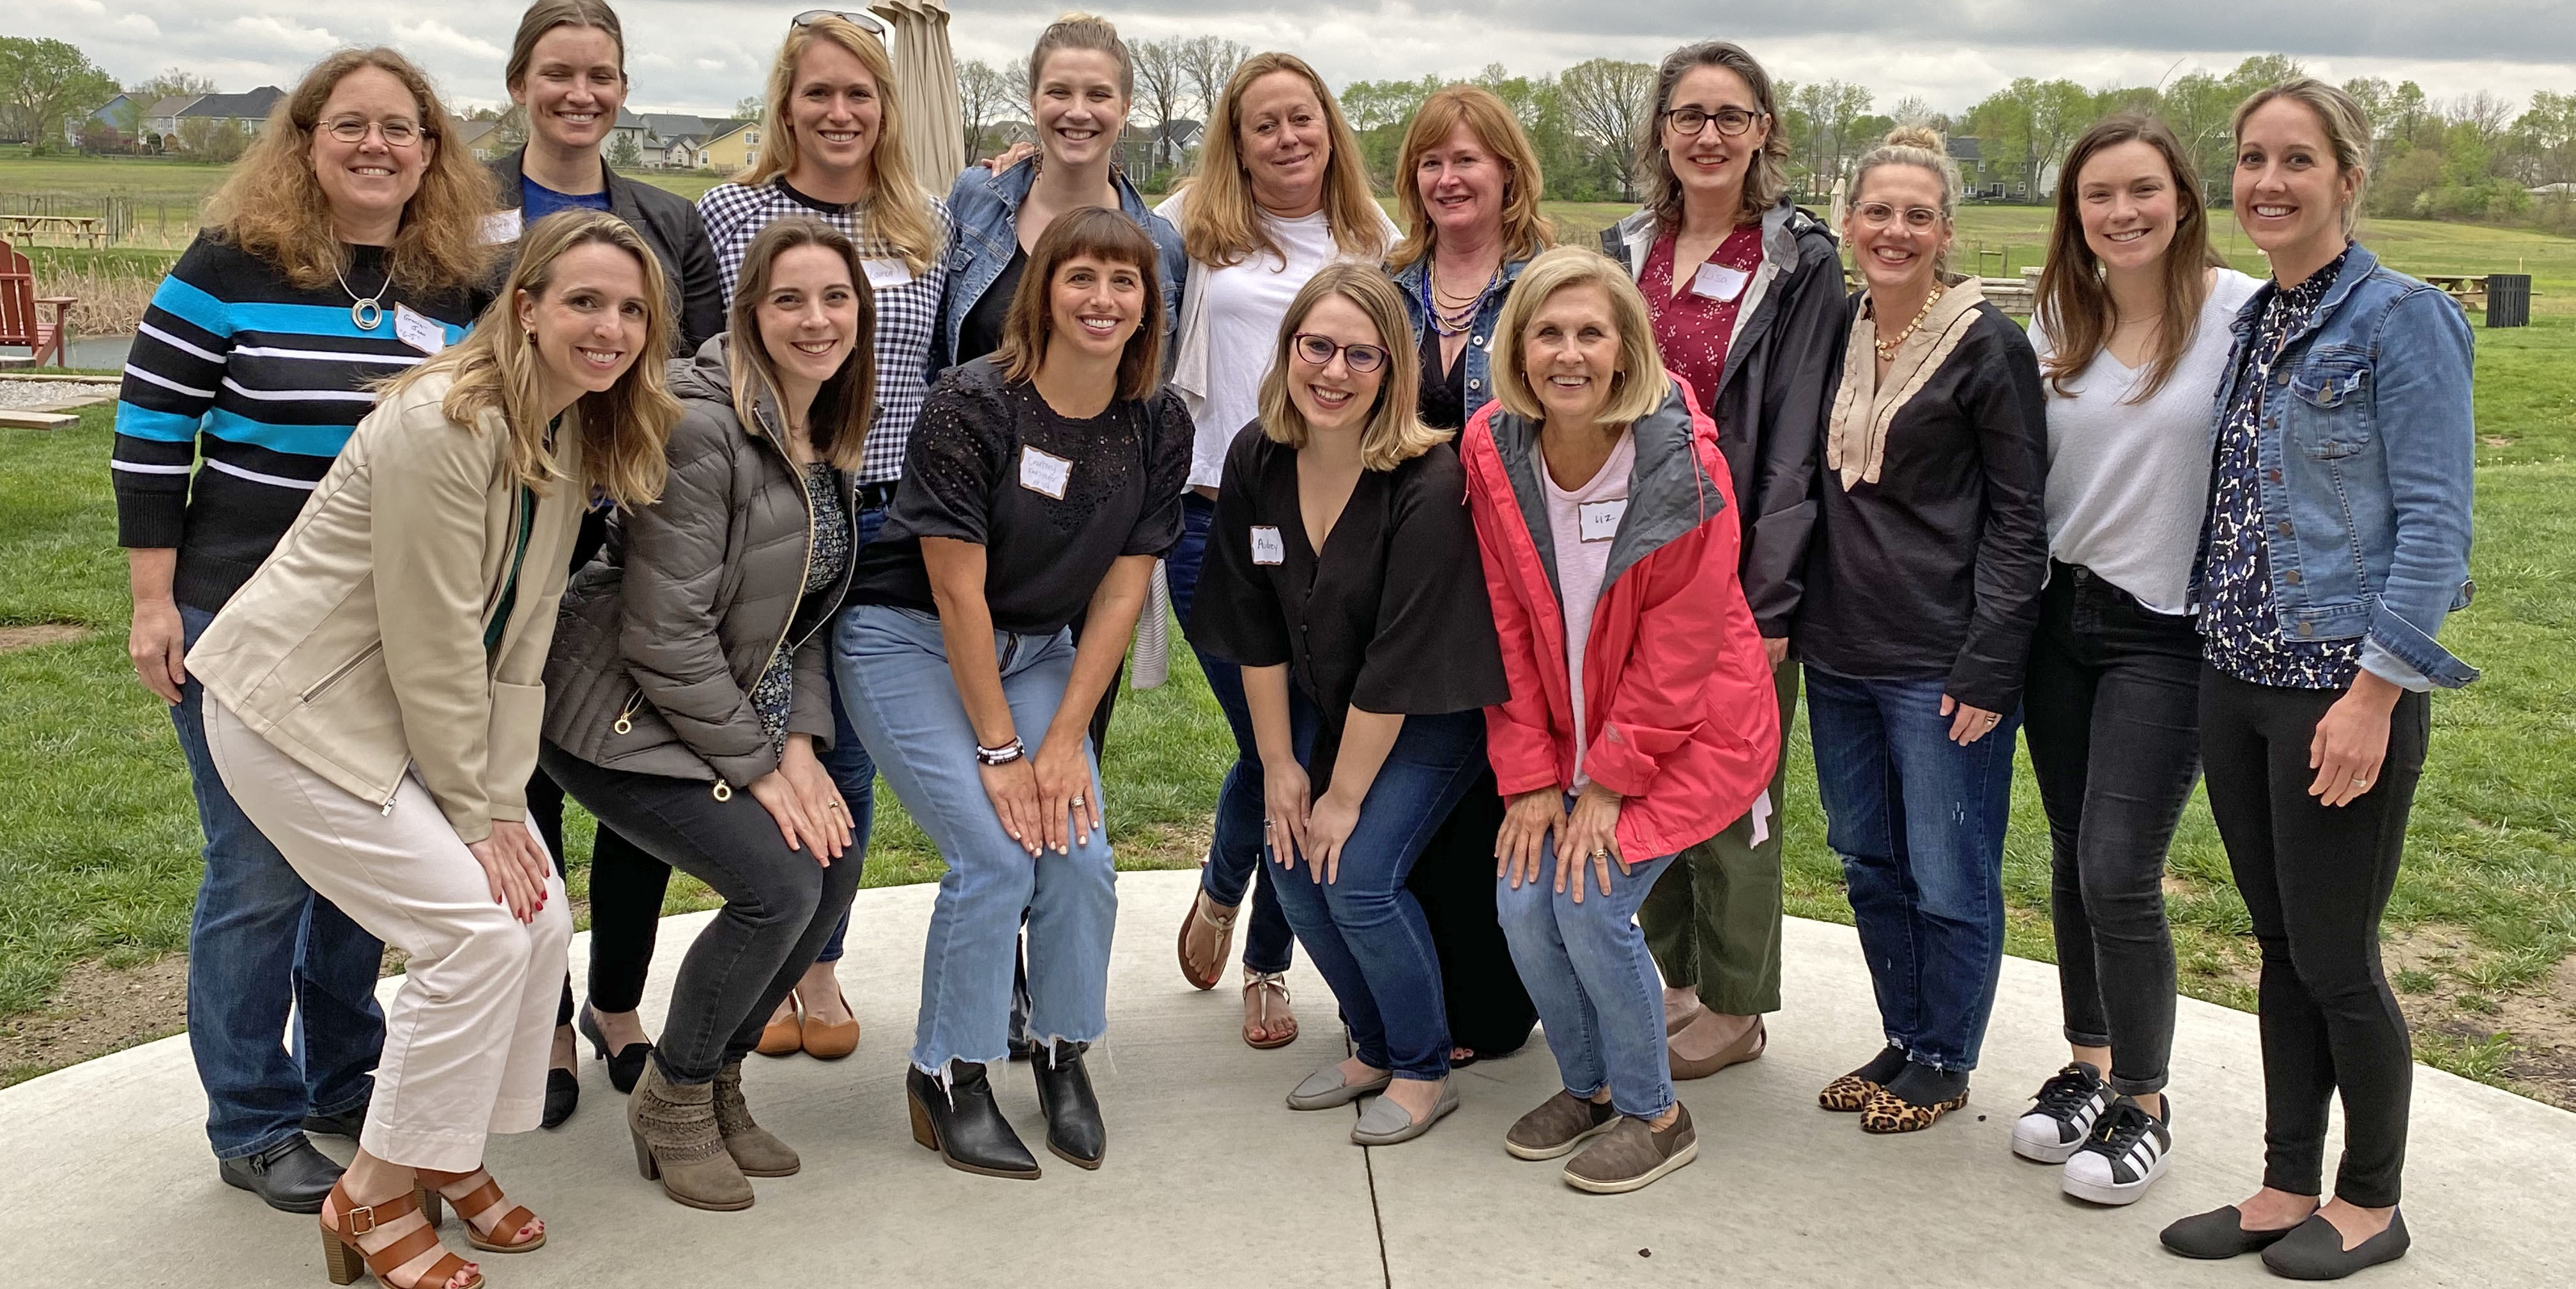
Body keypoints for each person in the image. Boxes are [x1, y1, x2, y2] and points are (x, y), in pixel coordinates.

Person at [190, 208, 680, 1288]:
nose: (610, 327)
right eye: (585, 302)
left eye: (631, 310)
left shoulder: (563, 429)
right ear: (526, 309)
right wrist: (477, 810)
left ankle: (444, 1151)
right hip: (294, 716)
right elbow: (436, 641)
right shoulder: (442, 423)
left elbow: (525, 638)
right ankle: (370, 1193)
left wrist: (502, 807)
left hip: (391, 722)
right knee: (472, 935)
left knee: (536, 915)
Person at [111, 45, 496, 1214]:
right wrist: (152, 602)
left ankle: (344, 1074)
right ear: (306, 141)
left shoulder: (453, 283)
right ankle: (254, 1117)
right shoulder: (229, 264)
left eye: (401, 128)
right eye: (351, 125)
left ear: (431, 153)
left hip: (386, 633)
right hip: (239, 622)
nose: (377, 146)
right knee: (260, 870)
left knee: (360, 870)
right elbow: (151, 433)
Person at [2158, 80, 2476, 1281]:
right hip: (2234, 674)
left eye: (2297, 159)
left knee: (2338, 955)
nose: (2268, 182)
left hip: (2336, 689)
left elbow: (2437, 525)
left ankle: (2370, 1198)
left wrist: (2376, 694)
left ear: (2349, 176)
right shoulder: (2257, 318)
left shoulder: (2403, 318)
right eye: (2251, 159)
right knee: (2280, 943)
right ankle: (2288, 1179)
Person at [838, 207, 1184, 1179]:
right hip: (905, 637)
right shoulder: (973, 401)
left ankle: (1063, 1050)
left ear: (1149, 302)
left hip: (1037, 651)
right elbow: (955, 589)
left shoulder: (1159, 419)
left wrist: (1063, 741)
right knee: (994, 856)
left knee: (1077, 853)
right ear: (1044, 292)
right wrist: (1001, 751)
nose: (1103, 299)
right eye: (1082, 277)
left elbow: (1121, 591)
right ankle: (947, 1074)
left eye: (1125, 281)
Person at [538, 217, 873, 1212]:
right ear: (749, 313)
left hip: (726, 708)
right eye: (789, 300)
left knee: (835, 863)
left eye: (836, 298)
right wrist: (763, 771)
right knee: (777, 882)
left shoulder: (820, 429)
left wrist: (801, 746)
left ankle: (720, 1077)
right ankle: (674, 1100)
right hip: (617, 715)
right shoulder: (703, 426)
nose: (816, 320)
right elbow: (663, 637)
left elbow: (807, 618)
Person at [1465, 247, 1779, 1194]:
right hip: (1567, 734)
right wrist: (1529, 775)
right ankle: (1591, 1085)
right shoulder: (1494, 446)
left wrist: (1607, 783)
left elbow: (1683, 645)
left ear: (1625, 347)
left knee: (1591, 901)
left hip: (1689, 732)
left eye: (1591, 334)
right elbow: (1504, 620)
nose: (1569, 355)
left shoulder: (1681, 462)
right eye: (1548, 333)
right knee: (1522, 902)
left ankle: (1657, 1113)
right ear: (1518, 348)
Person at [687, 8, 951, 1067]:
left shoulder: (924, 222)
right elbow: (699, 356)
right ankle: (765, 937)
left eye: (860, 94)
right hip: (763, 509)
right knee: (758, 737)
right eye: (820, 93)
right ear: (786, 106)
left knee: (842, 744)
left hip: (889, 514)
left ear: (886, 108)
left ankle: (818, 962)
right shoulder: (730, 214)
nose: (841, 112)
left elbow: (938, 366)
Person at [1189, 264, 1506, 1145]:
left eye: (1361, 355)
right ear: (1289, 348)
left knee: (1358, 874)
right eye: (1317, 346)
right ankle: (1372, 1045)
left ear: (1392, 368)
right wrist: (1278, 765)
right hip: (1328, 701)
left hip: (1433, 712)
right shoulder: (1257, 454)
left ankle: (1424, 1068)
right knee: (1290, 861)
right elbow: (1252, 624)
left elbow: (1400, 663)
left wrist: (1342, 794)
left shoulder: (1426, 480)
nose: (1333, 371)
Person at [2009, 114, 2262, 1205]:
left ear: (2183, 198)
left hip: (2167, 628)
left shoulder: (2242, 313)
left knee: (2120, 866)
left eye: (2143, 190)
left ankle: (2145, 1104)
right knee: (2074, 856)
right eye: (2099, 195)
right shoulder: (2058, 318)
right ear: (2075, 214)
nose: (2123, 212)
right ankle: (2090, 1063)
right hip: (2057, 620)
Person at [486, 0, 728, 1129]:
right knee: (519, 772)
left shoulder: (668, 221)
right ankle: (543, 1012)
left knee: (637, 764)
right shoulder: (466, 211)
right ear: (520, 84)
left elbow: (706, 365)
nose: (580, 94)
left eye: (601, 75)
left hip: (632, 522)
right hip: (501, 516)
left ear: (624, 90)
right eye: (558, 72)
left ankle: (618, 1003)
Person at [1599, 40, 1841, 1080]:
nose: (1708, 135)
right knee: (1641, 782)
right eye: (1689, 116)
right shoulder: (1627, 248)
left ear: (1761, 132)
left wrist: (1769, 595)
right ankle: (1678, 981)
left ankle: (1738, 1005)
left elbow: (1794, 438)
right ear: (1661, 131)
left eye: (1729, 116)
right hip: (1629, 569)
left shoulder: (1797, 260)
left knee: (1737, 797)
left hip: (1737, 576)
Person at [1798, 127, 2047, 1135]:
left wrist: (1991, 664)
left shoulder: (1988, 344)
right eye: (1877, 212)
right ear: (1849, 221)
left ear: (1947, 232)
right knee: (1868, 857)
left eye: (1917, 215)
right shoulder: (1837, 326)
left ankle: (1946, 1057)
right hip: (1839, 647)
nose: (1894, 231)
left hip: (1941, 658)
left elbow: (2021, 517)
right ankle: (1903, 1037)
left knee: (1949, 871)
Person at [1155, 51, 1399, 1051]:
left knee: (1307, 745)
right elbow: (1081, 221)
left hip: (1337, 529)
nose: (1289, 137)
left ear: (1329, 128)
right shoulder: (1190, 225)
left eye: (1304, 118)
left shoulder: (1376, 239)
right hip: (1215, 518)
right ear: (1238, 141)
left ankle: (1263, 953)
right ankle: (1230, 894)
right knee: (1281, 747)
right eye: (1266, 124)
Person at [1384, 82, 1556, 1065]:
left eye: (1467, 160)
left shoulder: (1547, 286)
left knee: (1502, 787)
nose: (1449, 178)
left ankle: (1496, 998)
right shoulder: (1391, 286)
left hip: (1517, 585)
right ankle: (1420, 990)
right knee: (1420, 791)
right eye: (1432, 162)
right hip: (1409, 591)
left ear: (1506, 172)